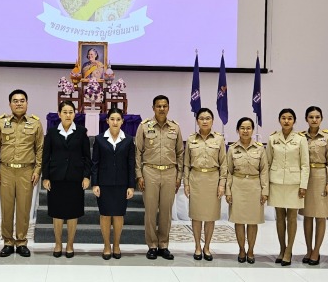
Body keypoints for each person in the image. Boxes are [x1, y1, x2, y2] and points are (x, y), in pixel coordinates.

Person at [0, 89, 44, 257]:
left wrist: (37, 170)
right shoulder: (1, 123)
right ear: (10, 104)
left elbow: (40, 149)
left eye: (22, 100)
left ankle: (21, 242)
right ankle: (7, 241)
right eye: (15, 100)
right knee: (6, 208)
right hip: (5, 170)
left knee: (23, 208)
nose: (19, 103)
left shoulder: (35, 123)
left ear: (27, 103)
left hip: (26, 171)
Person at [135, 95, 184, 260]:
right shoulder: (144, 127)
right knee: (150, 211)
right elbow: (138, 153)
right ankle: (152, 245)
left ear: (168, 108)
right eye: (158, 106)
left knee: (166, 211)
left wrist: (179, 176)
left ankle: (163, 245)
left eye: (164, 106)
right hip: (150, 172)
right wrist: (139, 175)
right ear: (153, 108)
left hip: (170, 173)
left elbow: (180, 153)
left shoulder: (175, 128)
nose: (161, 109)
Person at [42, 100, 92, 258]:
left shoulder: (81, 132)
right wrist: (46, 176)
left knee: (72, 213)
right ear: (59, 114)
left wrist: (86, 176)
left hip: (75, 178)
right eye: (65, 112)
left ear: (75, 114)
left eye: (71, 112)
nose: (68, 115)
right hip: (56, 177)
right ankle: (58, 244)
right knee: (56, 213)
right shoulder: (51, 132)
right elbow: (46, 156)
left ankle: (70, 244)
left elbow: (86, 157)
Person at [183, 108, 227, 261]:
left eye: (208, 118)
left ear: (212, 121)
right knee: (196, 216)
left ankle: (207, 247)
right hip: (196, 179)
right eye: (201, 118)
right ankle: (197, 246)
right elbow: (186, 164)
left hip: (213, 180)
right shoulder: (190, 139)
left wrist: (222, 184)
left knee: (210, 216)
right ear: (197, 121)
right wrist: (186, 183)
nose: (205, 121)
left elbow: (224, 164)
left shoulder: (219, 139)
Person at [91, 107, 135, 260]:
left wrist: (131, 185)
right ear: (107, 121)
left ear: (122, 121)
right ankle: (106, 245)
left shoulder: (129, 140)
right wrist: (94, 184)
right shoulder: (99, 139)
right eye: (112, 119)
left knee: (118, 215)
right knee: (105, 215)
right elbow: (95, 163)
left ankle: (116, 244)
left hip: (122, 184)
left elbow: (131, 164)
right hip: (104, 184)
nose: (115, 122)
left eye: (118, 119)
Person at [266, 108, 309, 266]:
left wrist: (303, 185)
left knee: (292, 218)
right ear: (279, 120)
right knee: (279, 218)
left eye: (290, 118)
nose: (286, 121)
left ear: (294, 121)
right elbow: (268, 162)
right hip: (276, 182)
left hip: (294, 183)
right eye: (283, 118)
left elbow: (305, 164)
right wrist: (266, 186)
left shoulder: (300, 139)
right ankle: (281, 248)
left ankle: (289, 250)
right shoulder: (272, 138)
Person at [225, 117, 268, 264]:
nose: (245, 131)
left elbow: (264, 171)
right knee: (239, 221)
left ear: (252, 130)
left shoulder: (260, 148)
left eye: (248, 128)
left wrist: (264, 190)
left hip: (255, 187)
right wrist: (228, 191)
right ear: (238, 130)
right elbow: (228, 171)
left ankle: (251, 250)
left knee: (252, 221)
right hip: (237, 186)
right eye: (242, 128)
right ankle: (241, 249)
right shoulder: (232, 149)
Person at [300, 106, 328, 265]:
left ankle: (316, 251)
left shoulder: (327, 137)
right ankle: (308, 249)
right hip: (306, 178)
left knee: (320, 216)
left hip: (322, 176)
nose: (314, 120)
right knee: (307, 216)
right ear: (306, 119)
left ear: (321, 119)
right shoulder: (301, 137)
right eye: (311, 117)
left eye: (317, 117)